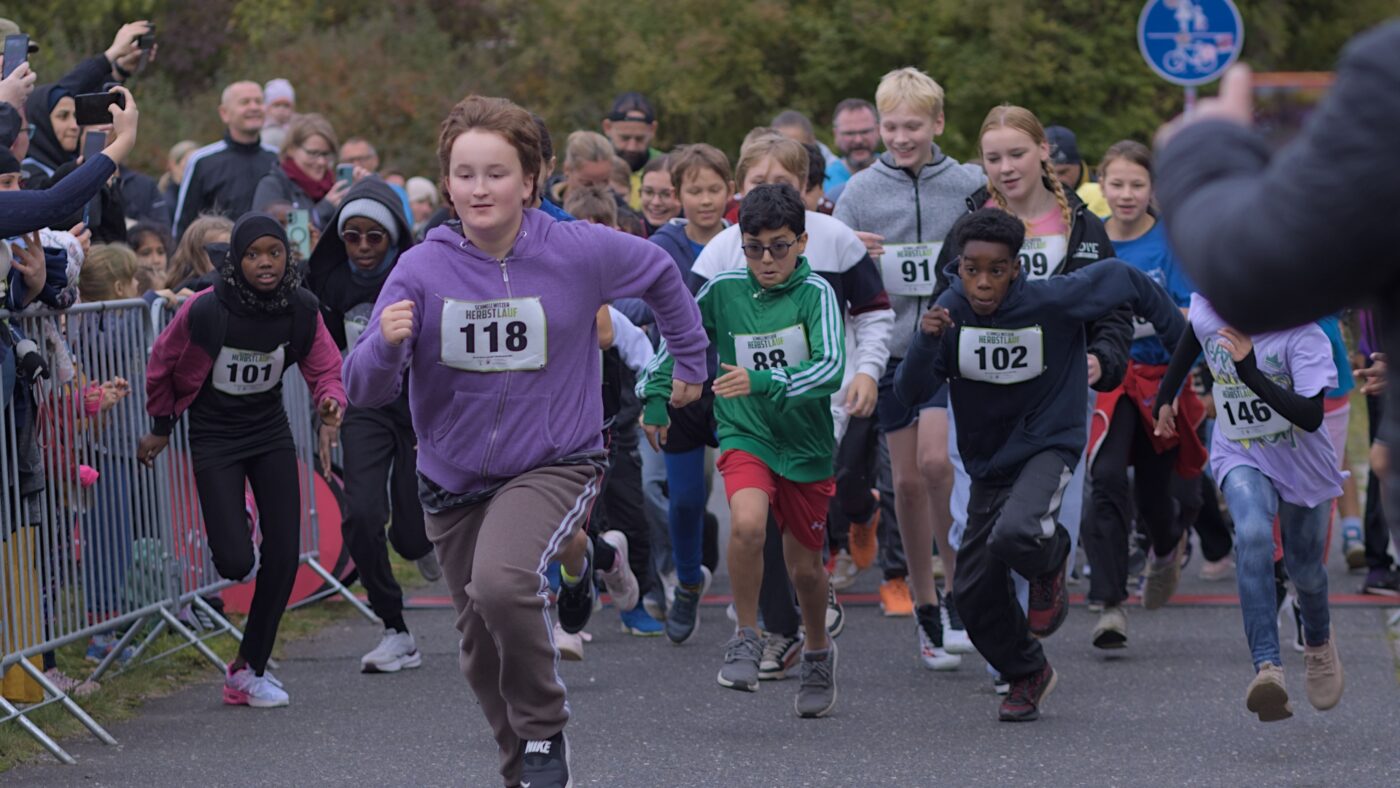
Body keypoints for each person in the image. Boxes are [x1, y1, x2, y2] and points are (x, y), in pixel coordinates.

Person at [342, 95, 706, 788]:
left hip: (555, 461)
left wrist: (689, 363)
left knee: (504, 585)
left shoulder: (576, 250)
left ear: (531, 180)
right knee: (479, 653)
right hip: (451, 479)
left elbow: (661, 273)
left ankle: (543, 733)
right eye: (466, 173)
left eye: (497, 173)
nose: (480, 189)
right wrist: (386, 347)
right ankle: (527, 772)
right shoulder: (421, 269)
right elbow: (363, 390)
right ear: (446, 183)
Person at [895, 208, 1185, 722]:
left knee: (1018, 532)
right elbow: (911, 392)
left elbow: (1126, 280)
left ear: (1017, 268)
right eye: (972, 270)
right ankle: (1028, 672)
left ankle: (1050, 560)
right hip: (989, 460)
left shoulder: (1054, 298)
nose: (983, 283)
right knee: (971, 589)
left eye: (997, 270)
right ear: (959, 266)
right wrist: (925, 340)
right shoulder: (949, 312)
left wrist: (1179, 358)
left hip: (1049, 443)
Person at [641, 183, 845, 717]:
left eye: (779, 246)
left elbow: (831, 368)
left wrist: (764, 381)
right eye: (754, 247)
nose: (767, 260)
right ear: (740, 243)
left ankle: (818, 648)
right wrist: (658, 396)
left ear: (801, 242)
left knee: (804, 569)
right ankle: (747, 635)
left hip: (804, 443)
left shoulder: (817, 294)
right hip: (745, 432)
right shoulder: (723, 290)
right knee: (749, 524)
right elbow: (678, 341)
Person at [690, 132, 892, 670]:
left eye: (783, 184)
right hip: (747, 412)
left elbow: (873, 313)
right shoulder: (726, 248)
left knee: (793, 516)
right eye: (759, 183)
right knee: (753, 516)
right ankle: (777, 631)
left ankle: (811, 591)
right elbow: (686, 325)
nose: (770, 194)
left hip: (820, 401)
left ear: (806, 189)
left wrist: (868, 371)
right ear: (740, 188)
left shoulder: (836, 241)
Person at [138, 213, 347, 708]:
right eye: (253, 255)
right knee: (235, 562)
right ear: (236, 260)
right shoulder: (207, 310)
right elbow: (162, 363)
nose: (265, 263)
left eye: (274, 253)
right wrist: (161, 426)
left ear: (287, 256)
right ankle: (241, 515)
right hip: (214, 435)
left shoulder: (300, 307)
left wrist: (329, 402)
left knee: (284, 552)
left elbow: (325, 365)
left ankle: (247, 670)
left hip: (269, 430)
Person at [833, 66, 983, 665]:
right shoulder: (861, 190)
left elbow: (997, 243)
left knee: (936, 463)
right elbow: (830, 271)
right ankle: (926, 606)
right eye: (891, 126)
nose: (900, 137)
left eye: (912, 126)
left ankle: (960, 593)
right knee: (907, 483)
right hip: (892, 352)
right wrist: (855, 257)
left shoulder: (968, 183)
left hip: (949, 350)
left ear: (937, 124)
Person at [1155, 294, 1345, 722]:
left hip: (1302, 462)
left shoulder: (1305, 335)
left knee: (1306, 571)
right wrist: (1166, 394)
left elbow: (1311, 416)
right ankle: (1267, 667)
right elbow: (1195, 331)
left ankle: (1318, 644)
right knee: (1254, 535)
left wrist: (1248, 369)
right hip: (1240, 449)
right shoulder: (1216, 304)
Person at [304, 175, 438, 672]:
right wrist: (329, 407)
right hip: (365, 405)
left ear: (394, 237)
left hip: (420, 404)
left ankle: (421, 543)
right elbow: (324, 351)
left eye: (373, 237)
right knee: (360, 513)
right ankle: (395, 627)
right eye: (351, 235)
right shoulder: (331, 282)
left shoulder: (418, 273)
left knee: (410, 532)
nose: (361, 247)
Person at [1081, 140, 1206, 649]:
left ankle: (1167, 544)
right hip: (1111, 379)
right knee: (1105, 476)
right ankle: (1110, 603)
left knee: (1158, 497)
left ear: (1153, 188)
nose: (1127, 195)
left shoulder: (1170, 244)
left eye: (1137, 185)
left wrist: (1144, 317)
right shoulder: (1090, 237)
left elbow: (1190, 315)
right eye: (1117, 184)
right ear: (1101, 185)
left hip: (1162, 378)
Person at [173, 81, 279, 238]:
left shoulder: (278, 159)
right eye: (245, 102)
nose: (254, 107)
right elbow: (185, 225)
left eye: (259, 101)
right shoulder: (202, 162)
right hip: (219, 259)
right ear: (224, 113)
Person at [253, 113, 359, 230]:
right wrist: (323, 211)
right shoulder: (273, 186)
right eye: (313, 153)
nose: (321, 162)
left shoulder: (333, 187)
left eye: (326, 154)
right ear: (291, 149)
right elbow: (269, 237)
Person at [602, 91, 663, 206]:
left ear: (653, 130)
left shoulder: (666, 168)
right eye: (624, 138)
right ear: (607, 127)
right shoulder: (594, 168)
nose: (632, 147)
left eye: (640, 139)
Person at [1044, 125, 1110, 219]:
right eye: (1049, 173)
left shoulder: (1105, 193)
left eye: (1063, 172)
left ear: (1078, 164)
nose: (1056, 180)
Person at [825, 98, 880, 202]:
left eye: (865, 132)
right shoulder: (823, 180)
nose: (858, 140)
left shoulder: (897, 174)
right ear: (835, 135)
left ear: (878, 131)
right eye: (850, 133)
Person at [164, 215, 232, 293]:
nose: (227, 258)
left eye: (230, 252)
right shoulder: (185, 290)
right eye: (217, 252)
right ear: (195, 257)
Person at [638, 154, 680, 235]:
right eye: (648, 192)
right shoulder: (626, 231)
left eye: (666, 194)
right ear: (640, 193)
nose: (656, 202)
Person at [127, 221, 172, 292]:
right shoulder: (125, 295)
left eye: (161, 252)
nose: (156, 260)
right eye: (146, 253)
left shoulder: (177, 288)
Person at [158, 140, 198, 218]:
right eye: (189, 161)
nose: (194, 166)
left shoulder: (196, 195)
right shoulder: (165, 202)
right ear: (173, 164)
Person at [261, 78, 296, 151]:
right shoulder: (262, 130)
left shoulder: (296, 128)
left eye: (286, 105)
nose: (281, 109)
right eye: (276, 105)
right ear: (267, 108)